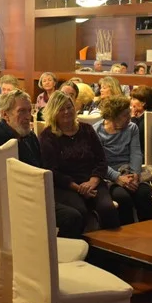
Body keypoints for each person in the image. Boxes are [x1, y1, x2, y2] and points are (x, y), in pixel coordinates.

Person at [0, 90, 82, 237]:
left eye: (29, 111)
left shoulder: (29, 136)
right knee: (65, 218)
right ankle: (43, 257)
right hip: (1, 205)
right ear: (5, 115)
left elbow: (39, 169)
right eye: (21, 111)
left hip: (30, 199)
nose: (27, 116)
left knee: (76, 212)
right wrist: (14, 203)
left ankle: (58, 256)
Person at [40, 91, 118, 230]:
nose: (66, 112)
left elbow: (101, 160)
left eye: (69, 107)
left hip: (93, 182)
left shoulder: (86, 129)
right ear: (53, 112)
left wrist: (92, 182)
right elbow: (52, 171)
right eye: (61, 109)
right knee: (79, 212)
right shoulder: (48, 136)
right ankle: (86, 248)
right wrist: (78, 187)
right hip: (66, 186)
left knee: (107, 209)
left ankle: (109, 248)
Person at [94, 95, 152, 223]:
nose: (130, 117)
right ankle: (128, 235)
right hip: (109, 177)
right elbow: (99, 163)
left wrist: (135, 174)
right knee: (122, 197)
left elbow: (136, 153)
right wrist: (117, 177)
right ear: (113, 116)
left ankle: (150, 230)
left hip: (129, 173)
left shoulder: (132, 128)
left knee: (144, 193)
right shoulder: (96, 131)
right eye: (125, 115)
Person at [129, 85, 152, 153]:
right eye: (131, 98)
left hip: (142, 154)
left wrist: (133, 117)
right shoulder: (139, 114)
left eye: (134, 99)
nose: (131, 102)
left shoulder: (149, 116)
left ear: (143, 102)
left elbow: (135, 135)